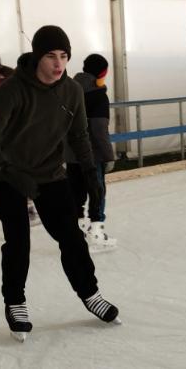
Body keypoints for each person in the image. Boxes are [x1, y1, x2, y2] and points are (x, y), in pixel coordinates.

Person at [0, 25, 119, 342]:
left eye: (64, 56)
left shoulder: (71, 91)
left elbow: (80, 137)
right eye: (51, 56)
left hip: (50, 175)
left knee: (71, 237)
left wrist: (91, 177)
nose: (58, 64)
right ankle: (15, 301)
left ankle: (90, 293)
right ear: (37, 57)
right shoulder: (13, 89)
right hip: (8, 175)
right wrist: (10, 172)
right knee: (18, 240)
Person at [0, 49, 41, 227]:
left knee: (20, 171)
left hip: (17, 137)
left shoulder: (12, 84)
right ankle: (18, 210)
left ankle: (29, 206)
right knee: (3, 175)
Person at [64, 54, 116, 252]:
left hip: (71, 154)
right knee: (97, 193)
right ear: (102, 73)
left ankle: (78, 233)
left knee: (75, 193)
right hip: (92, 156)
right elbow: (99, 129)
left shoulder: (69, 91)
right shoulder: (98, 95)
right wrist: (108, 156)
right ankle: (96, 232)